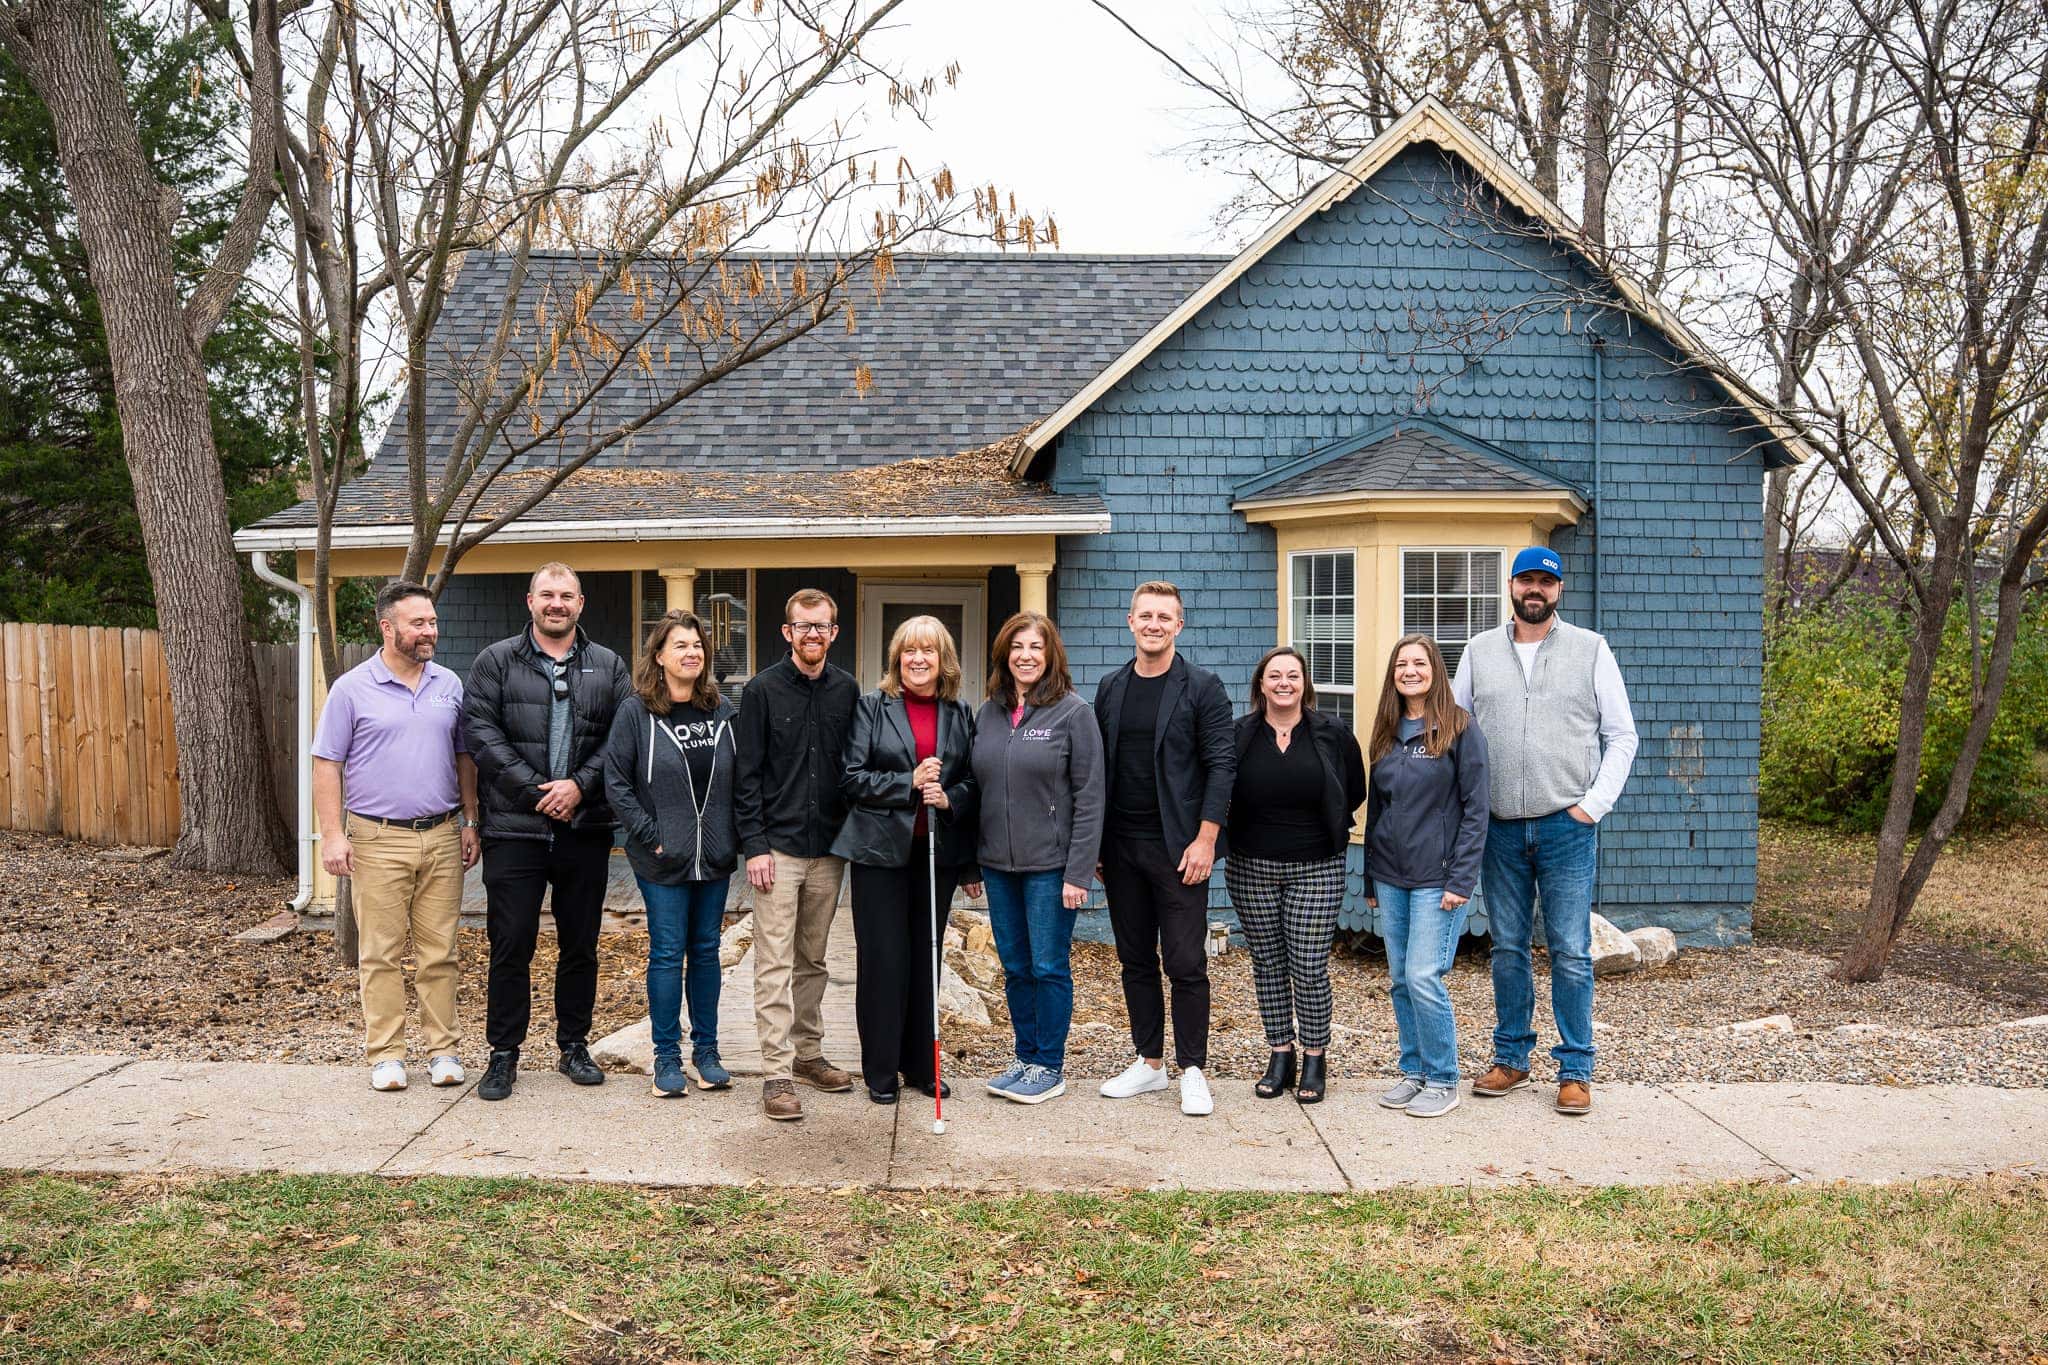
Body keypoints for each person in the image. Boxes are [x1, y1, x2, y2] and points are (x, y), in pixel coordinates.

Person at [1452, 546, 1638, 1116]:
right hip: (1500, 830)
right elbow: (1456, 733)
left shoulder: (1591, 650)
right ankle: (1510, 1058)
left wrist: (1593, 806)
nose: (1536, 590)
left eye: (1546, 583)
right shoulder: (1479, 651)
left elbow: (1622, 736)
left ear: (1558, 590)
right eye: (1526, 580)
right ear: (1510, 587)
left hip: (1566, 827)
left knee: (1570, 950)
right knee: (1507, 947)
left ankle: (1576, 1069)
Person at [462, 563, 632, 1102]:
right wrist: (539, 792)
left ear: (580, 603)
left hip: (585, 826)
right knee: (511, 943)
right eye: (547, 595)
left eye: (566, 596)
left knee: (580, 943)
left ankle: (573, 1045)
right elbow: (481, 735)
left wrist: (579, 787)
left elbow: (623, 736)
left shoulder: (607, 664)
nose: (556, 604)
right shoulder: (496, 662)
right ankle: (503, 1053)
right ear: (529, 600)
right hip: (515, 830)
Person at [312, 580, 481, 1092]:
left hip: (443, 834)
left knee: (440, 951)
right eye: (418, 623)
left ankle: (443, 1051)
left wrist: (470, 821)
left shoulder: (449, 684)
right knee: (381, 952)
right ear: (388, 628)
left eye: (432, 621)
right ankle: (386, 1054)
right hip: (377, 838)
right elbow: (326, 764)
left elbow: (464, 758)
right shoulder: (352, 688)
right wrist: (332, 835)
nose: (429, 631)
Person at [1093, 580, 1236, 1117]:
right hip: (1121, 846)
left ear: (1179, 625)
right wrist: (1097, 847)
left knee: (1184, 960)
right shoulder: (1110, 687)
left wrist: (1206, 838)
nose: (1153, 624)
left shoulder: (1201, 687)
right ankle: (1149, 1063)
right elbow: (1100, 770)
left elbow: (1223, 765)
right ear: (1130, 622)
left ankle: (1192, 1069)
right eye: (1145, 615)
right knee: (1134, 958)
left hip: (1179, 849)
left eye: (1164, 617)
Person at [832, 616, 980, 1105]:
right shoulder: (873, 708)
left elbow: (973, 784)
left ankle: (920, 1065)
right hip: (879, 854)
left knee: (925, 958)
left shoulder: (959, 714)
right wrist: (909, 783)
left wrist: (948, 796)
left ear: (944, 660)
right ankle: (880, 1068)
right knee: (883, 960)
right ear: (897, 657)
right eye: (909, 651)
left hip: (934, 855)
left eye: (929, 651)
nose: (918, 660)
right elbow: (852, 777)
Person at [733, 588, 861, 1121]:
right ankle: (776, 1072)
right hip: (777, 852)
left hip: (829, 851)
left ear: (834, 633)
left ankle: (809, 1054)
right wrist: (755, 845)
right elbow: (747, 777)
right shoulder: (761, 691)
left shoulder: (848, 691)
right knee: (773, 962)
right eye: (803, 626)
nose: (813, 634)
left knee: (813, 960)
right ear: (787, 632)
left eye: (822, 626)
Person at [602, 611, 739, 1099]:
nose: (691, 653)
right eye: (679, 645)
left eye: (697, 645)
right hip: (661, 858)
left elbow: (738, 779)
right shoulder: (636, 712)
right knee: (666, 953)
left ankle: (707, 1054)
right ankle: (665, 1057)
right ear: (659, 657)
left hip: (715, 857)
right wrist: (649, 833)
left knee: (705, 953)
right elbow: (616, 781)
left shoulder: (721, 711)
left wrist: (733, 836)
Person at [970, 611, 1105, 1105]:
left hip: (1050, 868)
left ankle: (1049, 1064)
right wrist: (972, 863)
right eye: (1017, 647)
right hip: (998, 866)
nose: (1026, 656)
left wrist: (1078, 872)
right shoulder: (987, 713)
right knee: (1015, 967)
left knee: (1048, 966)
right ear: (1005, 655)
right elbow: (976, 789)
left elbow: (1090, 798)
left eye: (1036, 647)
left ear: (1051, 656)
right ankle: (1024, 1057)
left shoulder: (1073, 713)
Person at [1224, 646, 1366, 1105]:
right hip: (1251, 866)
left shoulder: (1331, 733)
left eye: (1293, 675)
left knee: (1307, 965)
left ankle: (1315, 1056)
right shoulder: (1239, 735)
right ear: (1260, 684)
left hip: (1316, 865)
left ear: (1305, 684)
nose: (1284, 683)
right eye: (1274, 675)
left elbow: (1355, 789)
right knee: (1267, 962)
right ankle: (1279, 1053)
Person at [1364, 635, 1489, 1118]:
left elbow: (1476, 810)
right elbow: (1378, 809)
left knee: (1423, 975)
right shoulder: (1387, 730)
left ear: (1436, 670)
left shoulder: (1459, 727)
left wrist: (1462, 879)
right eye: (1401, 664)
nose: (1410, 671)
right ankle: (1414, 1071)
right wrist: (1372, 879)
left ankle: (1442, 1079)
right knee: (1400, 978)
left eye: (1419, 663)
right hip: (1392, 876)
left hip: (1439, 878)